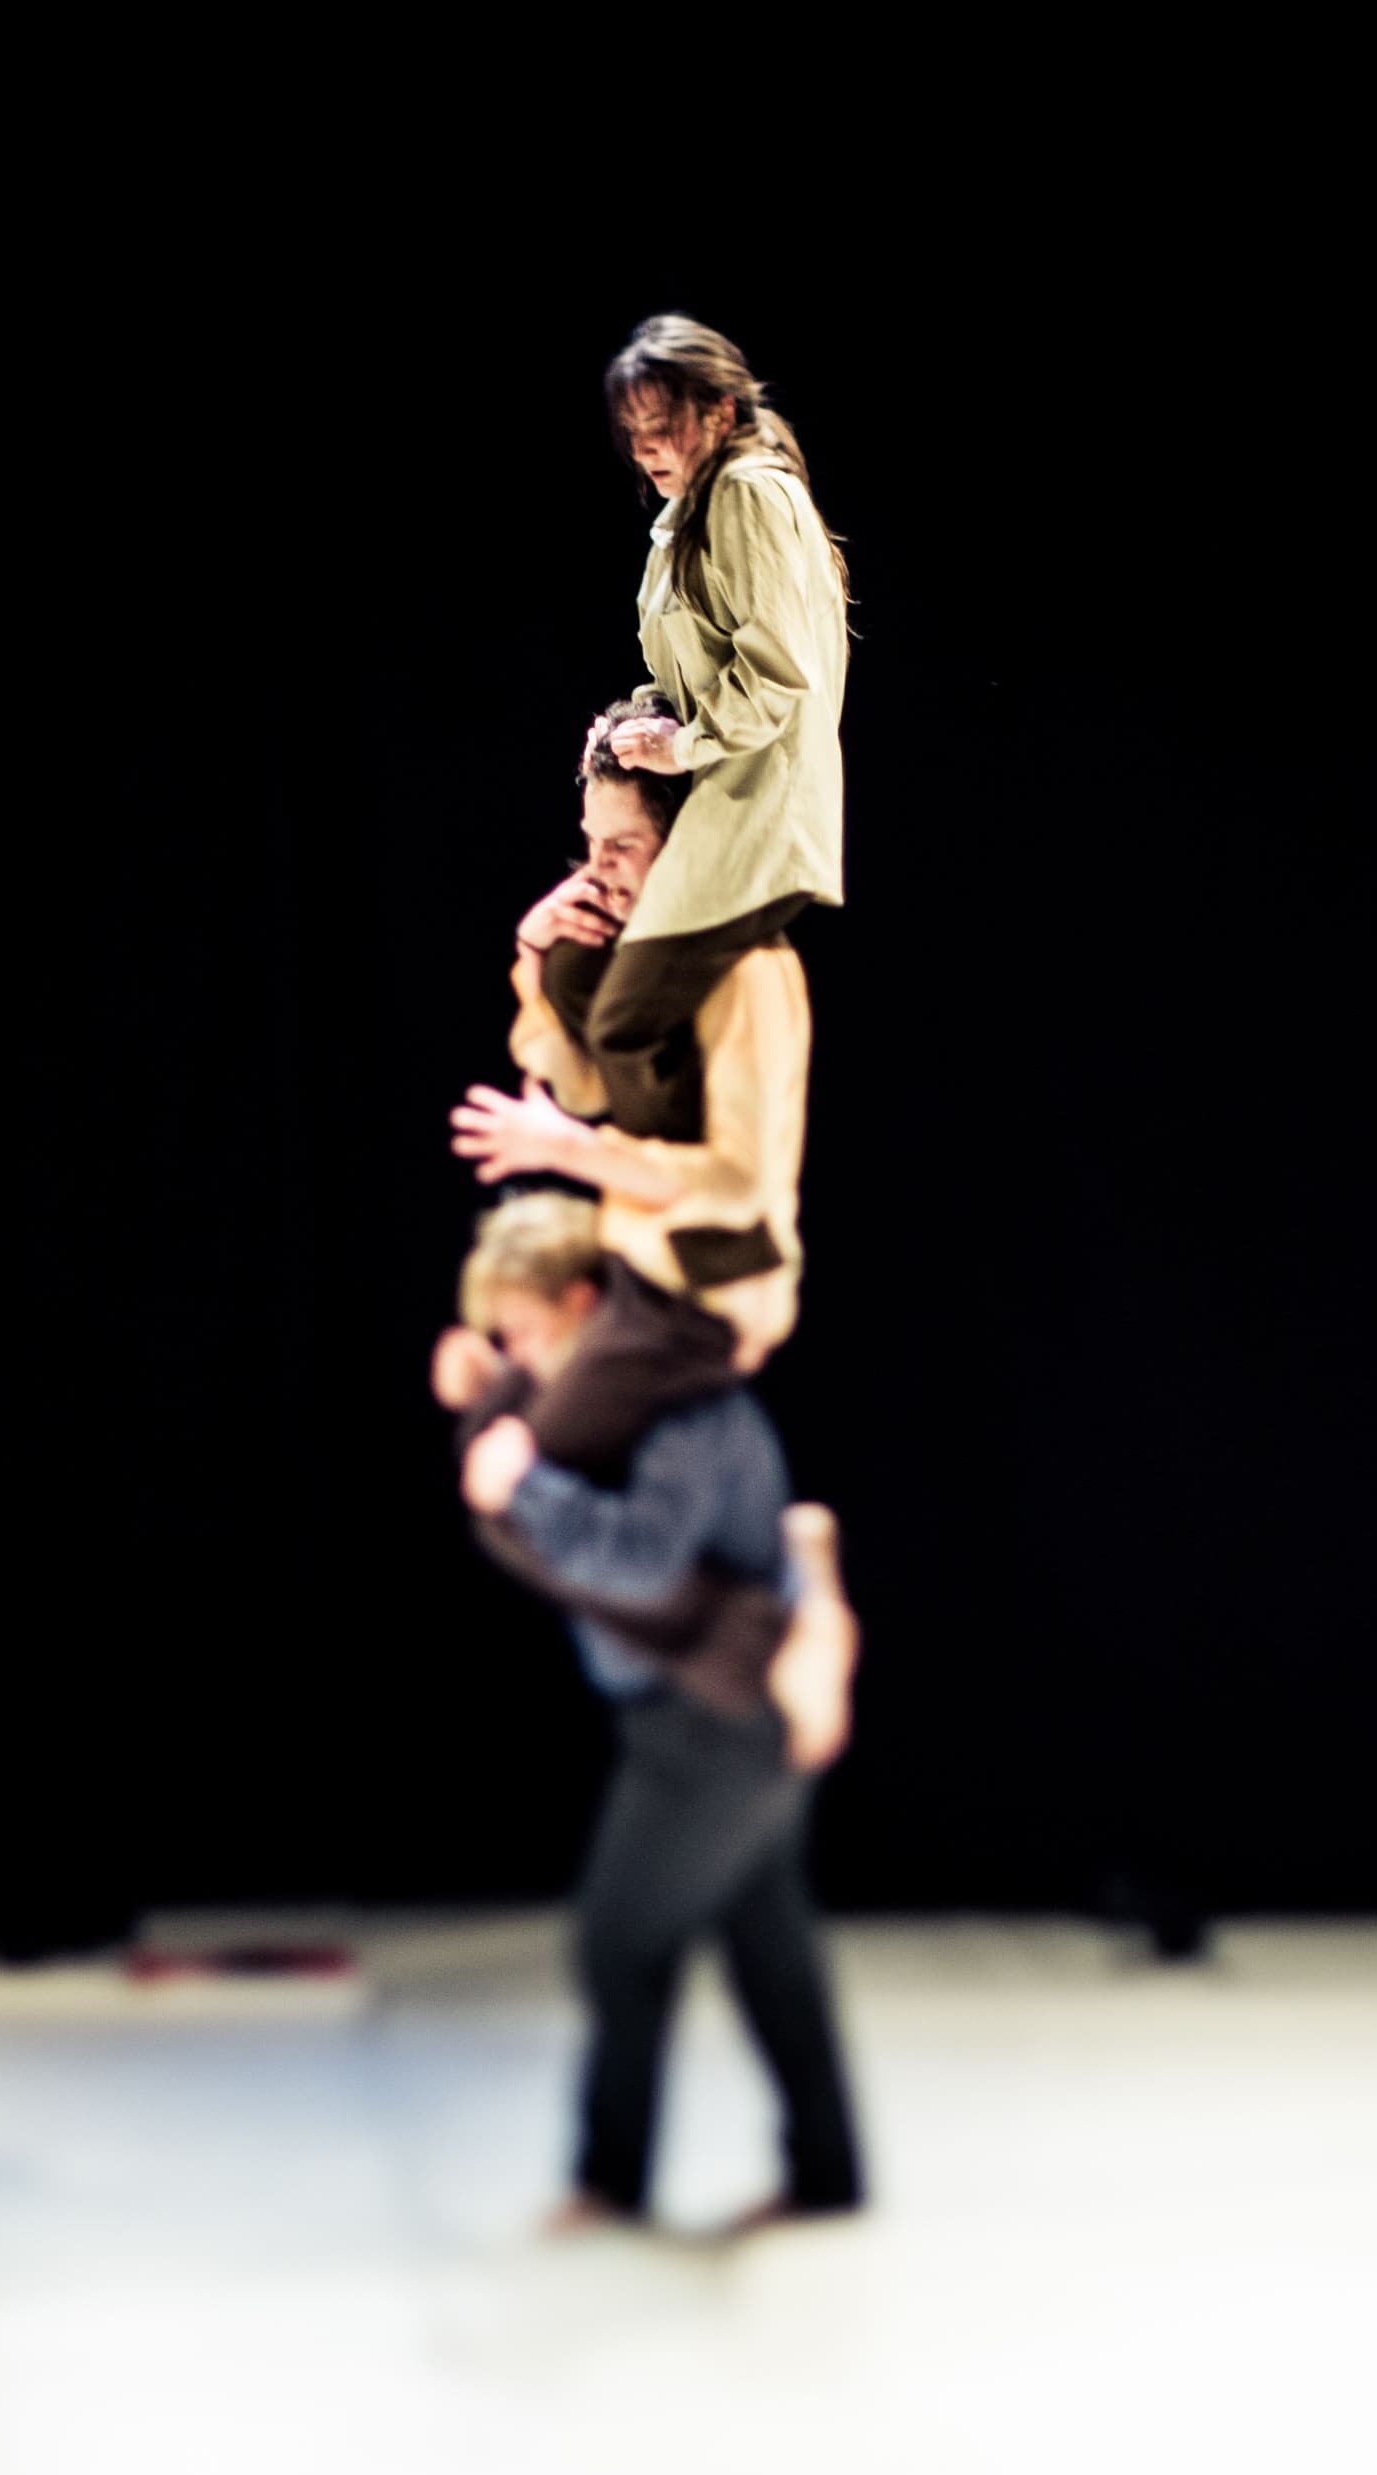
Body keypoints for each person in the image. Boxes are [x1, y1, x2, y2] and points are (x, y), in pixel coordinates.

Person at [444, 1193, 864, 2233]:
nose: (521, 1359)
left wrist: (524, 1485)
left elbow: (637, 1561)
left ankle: (614, 2180)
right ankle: (825, 2174)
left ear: (584, 1306)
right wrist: (494, 1400)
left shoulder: (683, 1411)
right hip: (721, 1711)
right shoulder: (640, 1407)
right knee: (768, 1946)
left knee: (620, 1943)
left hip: (711, 1721)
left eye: (525, 1334)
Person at [538, 313, 850, 1147]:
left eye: (661, 424)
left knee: (623, 1024)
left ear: (720, 411)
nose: (645, 447)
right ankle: (680, 1154)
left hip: (757, 809)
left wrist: (676, 747)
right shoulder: (689, 514)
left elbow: (777, 677)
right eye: (632, 431)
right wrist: (627, 729)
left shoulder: (747, 492)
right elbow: (692, 678)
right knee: (575, 972)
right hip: (713, 799)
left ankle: (702, 1190)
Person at [450, 700, 812, 1381]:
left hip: (710, 1295)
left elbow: (738, 1180)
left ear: (687, 843)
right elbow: (585, 1089)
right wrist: (533, 955)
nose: (595, 870)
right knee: (486, 1391)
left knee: (519, 1437)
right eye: (591, 843)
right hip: (644, 1265)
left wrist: (566, 1148)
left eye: (621, 846)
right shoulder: (639, 955)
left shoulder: (749, 968)